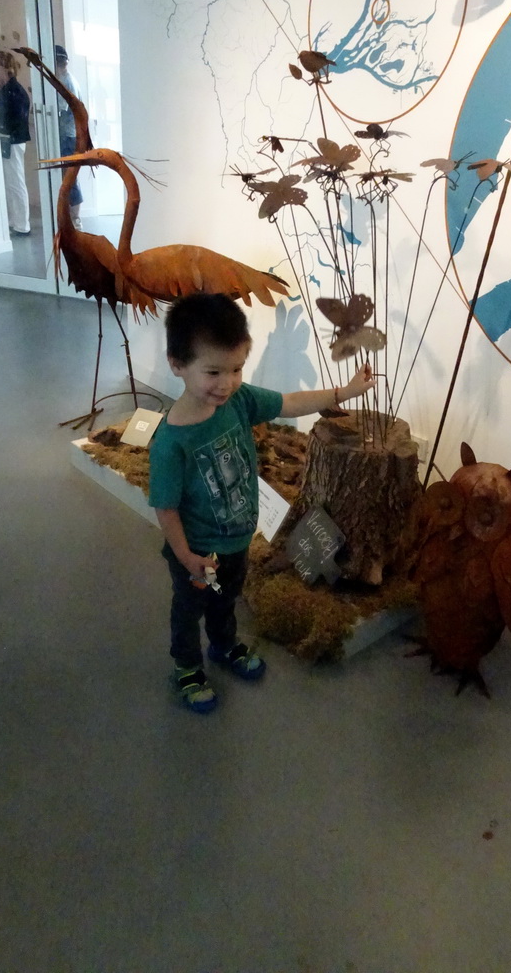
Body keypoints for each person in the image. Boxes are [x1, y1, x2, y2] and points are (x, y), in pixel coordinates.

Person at [149, 294, 375, 713]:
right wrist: (186, 556)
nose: (227, 382)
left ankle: (223, 645)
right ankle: (186, 666)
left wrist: (342, 392)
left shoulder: (237, 400)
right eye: (213, 371)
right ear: (177, 364)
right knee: (190, 609)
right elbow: (166, 507)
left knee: (226, 599)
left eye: (236, 369)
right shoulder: (170, 443)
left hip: (236, 542)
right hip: (198, 552)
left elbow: (287, 402)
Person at [0, 51, 31, 236]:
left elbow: (16, 121)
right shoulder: (3, 90)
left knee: (16, 182)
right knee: (9, 183)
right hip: (8, 141)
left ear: (5, 68)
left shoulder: (15, 91)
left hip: (14, 142)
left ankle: (22, 224)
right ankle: (14, 221)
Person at [54, 45, 84, 229]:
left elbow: (59, 110)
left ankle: (76, 218)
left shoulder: (66, 82)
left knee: (69, 176)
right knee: (69, 175)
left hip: (68, 135)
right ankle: (73, 218)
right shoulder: (67, 79)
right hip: (70, 134)